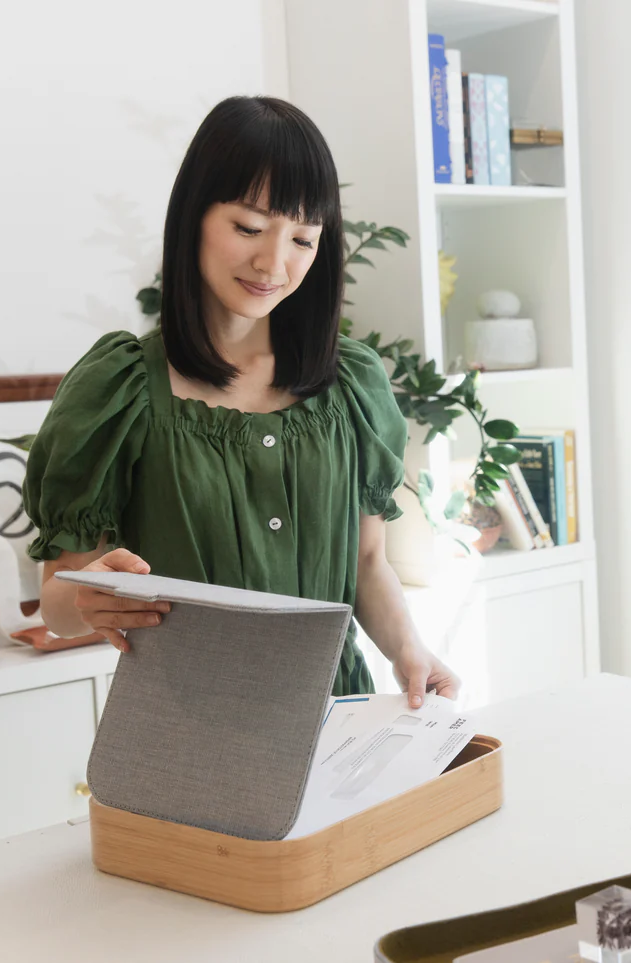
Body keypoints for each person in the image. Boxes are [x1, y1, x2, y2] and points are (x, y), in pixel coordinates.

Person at [23, 95, 459, 706]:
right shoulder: (120, 389)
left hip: (338, 722)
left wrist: (409, 651)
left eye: (303, 239)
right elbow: (59, 605)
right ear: (194, 216)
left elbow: (365, 564)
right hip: (188, 740)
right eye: (249, 228)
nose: (273, 263)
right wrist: (89, 595)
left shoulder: (351, 384)